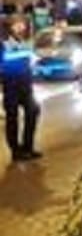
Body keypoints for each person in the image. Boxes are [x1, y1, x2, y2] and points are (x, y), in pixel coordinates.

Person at [3, 16, 42, 162]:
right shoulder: (4, 43)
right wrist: (24, 56)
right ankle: (15, 151)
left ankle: (28, 147)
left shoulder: (26, 42)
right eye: (17, 25)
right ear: (10, 28)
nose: (21, 28)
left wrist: (34, 63)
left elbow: (32, 59)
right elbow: (5, 60)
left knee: (33, 111)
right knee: (12, 118)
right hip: (11, 84)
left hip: (26, 83)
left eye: (22, 25)